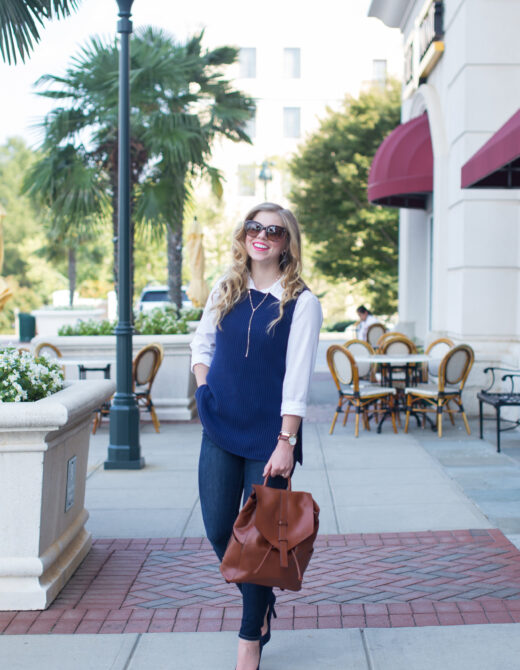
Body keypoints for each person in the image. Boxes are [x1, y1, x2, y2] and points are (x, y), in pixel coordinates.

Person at [191, 202, 322, 670]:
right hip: (219, 426)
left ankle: (250, 641)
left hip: (269, 438)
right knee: (218, 529)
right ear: (243, 234)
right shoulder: (224, 288)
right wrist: (205, 389)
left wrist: (286, 441)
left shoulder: (301, 302)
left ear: (288, 242)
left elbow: (297, 378)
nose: (261, 236)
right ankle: (261, 602)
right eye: (254, 227)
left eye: (274, 230)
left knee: (263, 540)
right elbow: (201, 344)